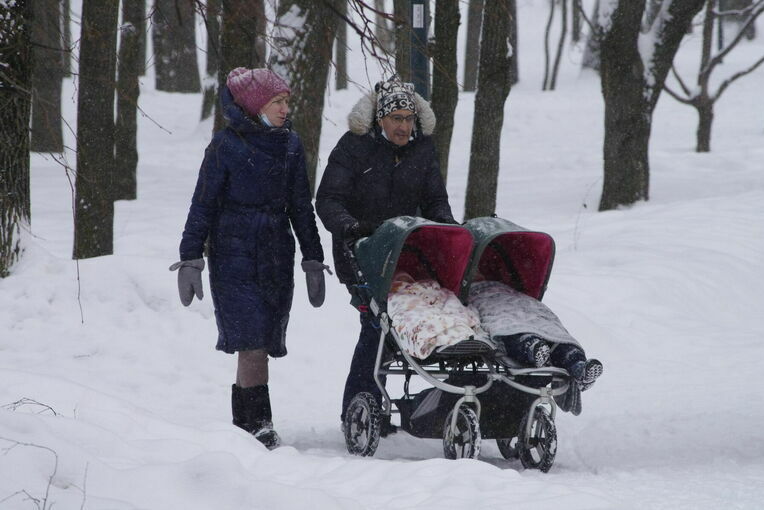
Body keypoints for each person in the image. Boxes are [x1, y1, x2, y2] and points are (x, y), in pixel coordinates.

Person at [169, 67, 329, 449]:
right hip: (233, 255)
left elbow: (300, 207)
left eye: (287, 101)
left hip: (275, 255)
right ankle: (258, 426)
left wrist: (312, 257)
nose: (285, 109)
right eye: (277, 101)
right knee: (251, 341)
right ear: (257, 104)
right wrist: (191, 256)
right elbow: (202, 204)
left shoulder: (290, 145)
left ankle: (245, 426)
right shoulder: (225, 146)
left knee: (265, 340)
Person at [315, 75, 457, 430]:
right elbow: (329, 198)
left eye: (410, 119)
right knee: (377, 327)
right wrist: (349, 226)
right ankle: (359, 406)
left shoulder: (422, 149)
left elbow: (435, 199)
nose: (404, 126)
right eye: (397, 119)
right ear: (380, 119)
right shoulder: (354, 147)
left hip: (408, 254)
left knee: (406, 325)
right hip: (362, 251)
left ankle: (425, 402)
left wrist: (447, 225)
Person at [469, 279, 603, 415]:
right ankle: (541, 350)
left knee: (548, 334)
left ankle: (577, 365)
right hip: (497, 307)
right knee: (515, 331)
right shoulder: (473, 292)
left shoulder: (507, 287)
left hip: (521, 304)